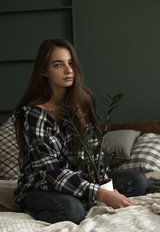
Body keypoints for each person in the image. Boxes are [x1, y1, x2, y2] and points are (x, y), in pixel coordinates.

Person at [13, 38, 147, 225]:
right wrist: (100, 193)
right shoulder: (33, 114)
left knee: (138, 181)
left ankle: (83, 197)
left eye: (71, 63)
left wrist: (103, 182)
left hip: (81, 179)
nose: (68, 70)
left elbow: (93, 151)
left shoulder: (82, 101)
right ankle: (43, 205)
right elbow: (51, 173)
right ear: (44, 71)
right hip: (42, 186)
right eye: (58, 65)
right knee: (72, 210)